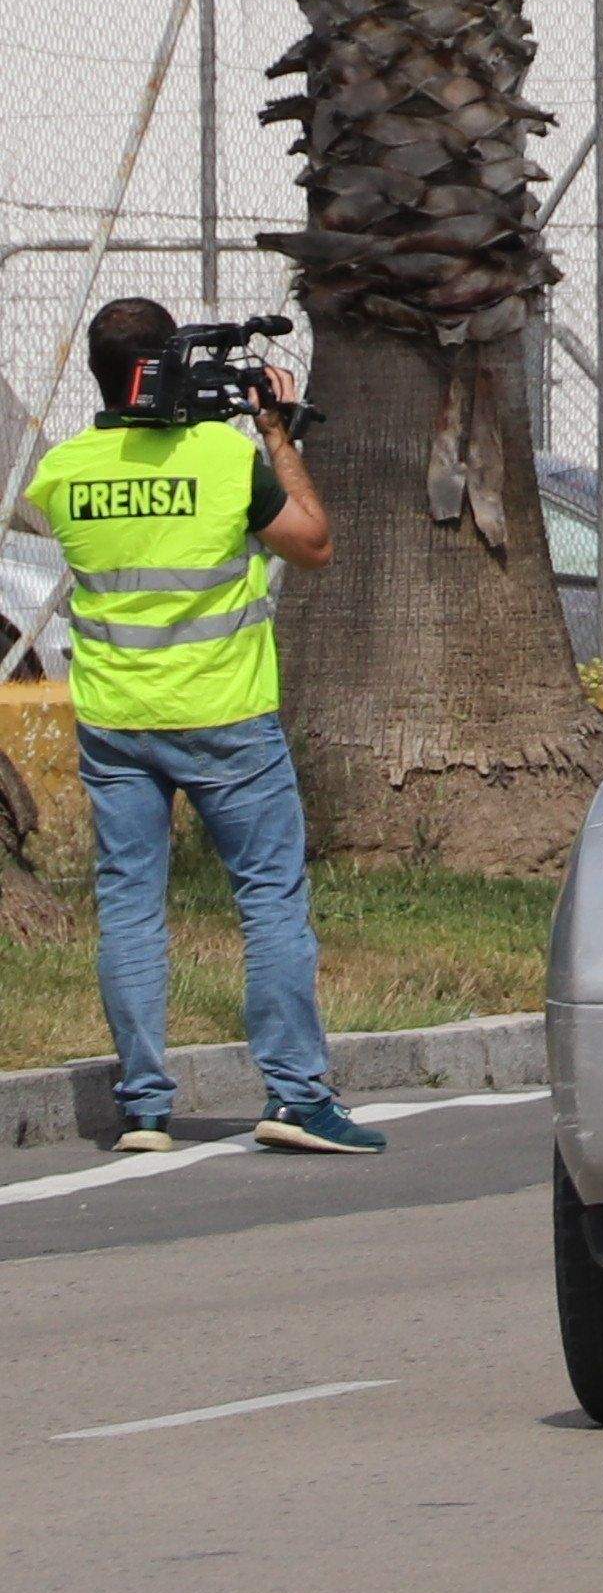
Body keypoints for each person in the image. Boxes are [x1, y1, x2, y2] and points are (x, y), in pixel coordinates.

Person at [23, 301, 354, 1159]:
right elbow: (313, 544)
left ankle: (142, 1109)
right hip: (225, 719)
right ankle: (297, 1096)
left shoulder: (63, 473)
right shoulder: (223, 459)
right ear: (168, 366)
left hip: (115, 722)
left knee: (130, 906)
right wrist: (279, 434)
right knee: (270, 901)